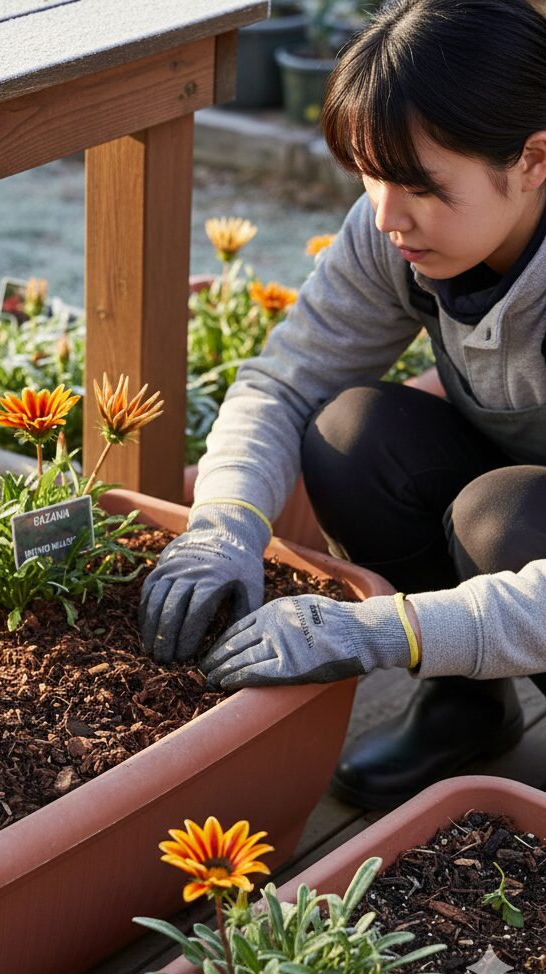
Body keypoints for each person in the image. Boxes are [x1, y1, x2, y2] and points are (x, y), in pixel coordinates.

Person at [139, 0, 546, 810]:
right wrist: (224, 521)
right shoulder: (391, 231)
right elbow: (286, 381)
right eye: (371, 176)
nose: (387, 217)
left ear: (535, 159)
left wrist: (390, 630)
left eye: (422, 187)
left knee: (503, 517)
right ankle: (468, 705)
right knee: (351, 434)